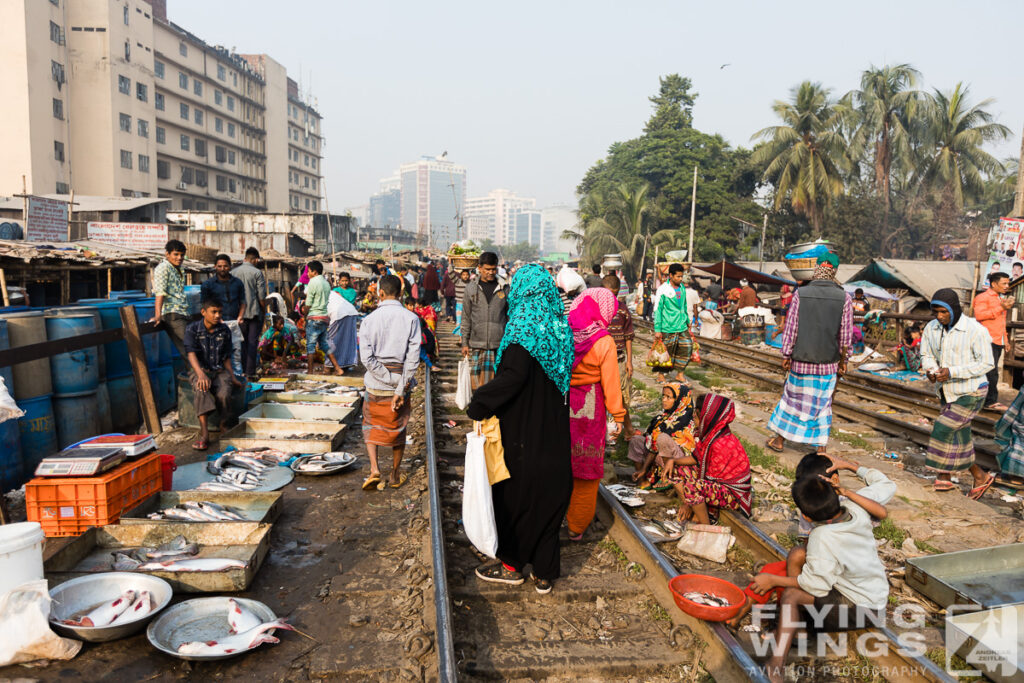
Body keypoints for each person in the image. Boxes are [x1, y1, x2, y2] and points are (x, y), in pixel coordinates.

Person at [466, 264, 574, 592]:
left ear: (522, 290)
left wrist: (480, 402)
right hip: (554, 432)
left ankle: (512, 564)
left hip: (523, 433)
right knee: (548, 496)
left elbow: (513, 378)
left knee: (516, 497)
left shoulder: (523, 328)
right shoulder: (559, 328)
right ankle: (544, 572)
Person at [756, 456, 895, 683]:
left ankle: (775, 664)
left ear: (807, 517)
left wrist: (773, 580)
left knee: (791, 594)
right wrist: (851, 466)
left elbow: (814, 585)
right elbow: (887, 486)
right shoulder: (854, 506)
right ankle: (800, 628)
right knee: (798, 554)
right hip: (874, 597)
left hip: (860, 609)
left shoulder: (822, 537)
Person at [766, 255, 852, 454]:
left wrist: (786, 354)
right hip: (828, 364)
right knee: (823, 405)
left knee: (792, 400)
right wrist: (844, 361)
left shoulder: (800, 294)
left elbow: (792, 327)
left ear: (816, 269)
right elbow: (845, 335)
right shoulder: (844, 297)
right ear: (835, 271)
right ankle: (820, 448)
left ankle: (779, 441)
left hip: (801, 361)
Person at [921, 288, 996, 498]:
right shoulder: (931, 328)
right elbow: (926, 354)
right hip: (946, 391)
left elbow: (986, 363)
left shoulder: (975, 330)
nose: (939, 316)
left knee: (943, 428)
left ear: (953, 309)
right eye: (935, 312)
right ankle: (980, 476)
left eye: (943, 312)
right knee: (959, 437)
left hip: (972, 391)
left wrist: (953, 372)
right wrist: (930, 370)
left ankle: (943, 475)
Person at [566, 288, 626, 541]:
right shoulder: (604, 341)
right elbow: (611, 382)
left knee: (560, 463)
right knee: (586, 471)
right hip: (591, 413)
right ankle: (576, 526)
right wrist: (618, 415)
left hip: (562, 405)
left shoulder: (563, 333)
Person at [358, 274, 421, 490]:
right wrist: (399, 384)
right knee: (398, 427)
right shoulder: (411, 319)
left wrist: (385, 377)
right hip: (401, 383)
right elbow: (413, 357)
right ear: (401, 294)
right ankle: (394, 475)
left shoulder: (368, 320)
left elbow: (366, 359)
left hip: (375, 383)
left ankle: (375, 469)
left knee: (370, 425)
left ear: (380, 293)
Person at [184, 298, 242, 451]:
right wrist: (200, 374)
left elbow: (227, 357)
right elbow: (191, 354)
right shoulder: (192, 329)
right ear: (203, 312)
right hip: (200, 370)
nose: (217, 315)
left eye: (219, 312)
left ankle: (224, 424)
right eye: (213, 312)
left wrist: (233, 376)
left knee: (225, 392)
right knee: (201, 389)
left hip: (219, 370)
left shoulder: (224, 330)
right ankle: (204, 433)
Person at [627, 382, 697, 485]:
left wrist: (644, 467)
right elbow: (651, 439)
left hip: (678, 460)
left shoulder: (687, 420)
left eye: (669, 397)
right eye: (663, 396)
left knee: (662, 439)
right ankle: (642, 480)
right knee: (636, 440)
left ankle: (668, 480)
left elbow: (657, 442)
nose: (664, 399)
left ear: (679, 400)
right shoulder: (663, 417)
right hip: (659, 454)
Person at [461, 252, 508, 391]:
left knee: (498, 384)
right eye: (487, 269)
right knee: (478, 385)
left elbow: (509, 316)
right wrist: (465, 342)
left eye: (493, 269)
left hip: (499, 344)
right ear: (479, 268)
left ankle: (495, 412)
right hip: (477, 343)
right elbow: (466, 317)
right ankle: (481, 411)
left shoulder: (505, 288)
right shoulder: (471, 288)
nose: (491, 272)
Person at [973, 271, 1013, 410]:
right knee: (990, 371)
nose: (1007, 286)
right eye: (1004, 283)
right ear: (994, 284)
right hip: (987, 339)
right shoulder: (983, 297)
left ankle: (987, 400)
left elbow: (1001, 322)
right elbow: (979, 315)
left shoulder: (999, 298)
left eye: (1007, 283)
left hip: (997, 340)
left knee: (992, 371)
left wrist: (1005, 340)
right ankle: (989, 401)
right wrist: (1001, 307)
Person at [201, 254, 246, 377]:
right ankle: (222, 381)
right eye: (219, 266)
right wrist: (215, 319)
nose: (222, 268)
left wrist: (240, 316)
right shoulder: (208, 285)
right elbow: (204, 306)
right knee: (218, 355)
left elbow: (243, 302)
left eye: (225, 266)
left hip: (234, 323)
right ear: (215, 267)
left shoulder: (237, 283)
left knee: (236, 354)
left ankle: (237, 380)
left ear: (230, 267)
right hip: (216, 325)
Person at [604, 273, 635, 437]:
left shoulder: (623, 309)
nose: (613, 298)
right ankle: (608, 430)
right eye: (610, 294)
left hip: (620, 358)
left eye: (615, 294)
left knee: (622, 395)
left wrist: (629, 361)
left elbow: (628, 336)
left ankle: (627, 429)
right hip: (602, 359)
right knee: (604, 395)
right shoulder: (598, 308)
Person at [653, 263, 693, 383]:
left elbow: (684, 305)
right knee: (666, 352)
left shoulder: (682, 288)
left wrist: (687, 320)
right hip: (667, 326)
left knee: (687, 348)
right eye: (678, 277)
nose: (680, 279)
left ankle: (680, 373)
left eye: (682, 277)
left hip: (681, 325)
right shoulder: (662, 290)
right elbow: (658, 310)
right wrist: (657, 329)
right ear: (671, 275)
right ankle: (661, 375)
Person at [232, 247, 267, 379]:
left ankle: (240, 371)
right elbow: (261, 296)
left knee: (240, 343)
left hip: (238, 314)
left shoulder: (233, 272)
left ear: (245, 258)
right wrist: (264, 311)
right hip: (254, 313)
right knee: (252, 343)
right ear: (256, 259)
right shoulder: (257, 273)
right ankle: (250, 372)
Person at [152, 239, 189, 357]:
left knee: (186, 350)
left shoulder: (179, 269)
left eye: (182, 255)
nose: (179, 258)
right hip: (172, 313)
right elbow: (160, 292)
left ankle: (195, 374)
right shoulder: (163, 268)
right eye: (176, 254)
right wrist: (158, 314)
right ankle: (200, 374)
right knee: (191, 346)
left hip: (182, 311)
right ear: (167, 254)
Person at [303, 261, 332, 374]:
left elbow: (308, 303)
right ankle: (338, 368)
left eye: (309, 271)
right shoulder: (326, 283)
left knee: (310, 345)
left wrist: (305, 315)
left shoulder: (313, 282)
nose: (308, 273)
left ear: (314, 272)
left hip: (314, 317)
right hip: (324, 317)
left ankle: (310, 371)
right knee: (324, 344)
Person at [326, 286, 359, 375]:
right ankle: (345, 364)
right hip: (351, 312)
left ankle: (329, 366)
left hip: (339, 313)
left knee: (331, 340)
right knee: (346, 341)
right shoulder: (332, 293)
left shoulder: (322, 294)